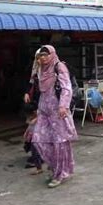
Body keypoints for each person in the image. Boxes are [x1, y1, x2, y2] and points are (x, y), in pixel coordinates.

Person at [31, 45, 78, 188]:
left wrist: (63, 105)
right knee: (38, 139)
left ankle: (59, 174)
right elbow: (35, 85)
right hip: (44, 110)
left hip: (58, 111)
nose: (43, 58)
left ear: (52, 54)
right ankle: (57, 166)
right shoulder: (40, 69)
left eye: (46, 55)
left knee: (60, 143)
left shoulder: (59, 67)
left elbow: (66, 87)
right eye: (41, 55)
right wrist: (39, 111)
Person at [23, 103, 43, 175]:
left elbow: (31, 122)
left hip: (39, 137)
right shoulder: (32, 117)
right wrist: (26, 132)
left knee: (37, 151)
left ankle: (40, 165)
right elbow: (29, 125)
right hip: (33, 136)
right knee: (34, 151)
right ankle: (38, 167)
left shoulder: (40, 116)